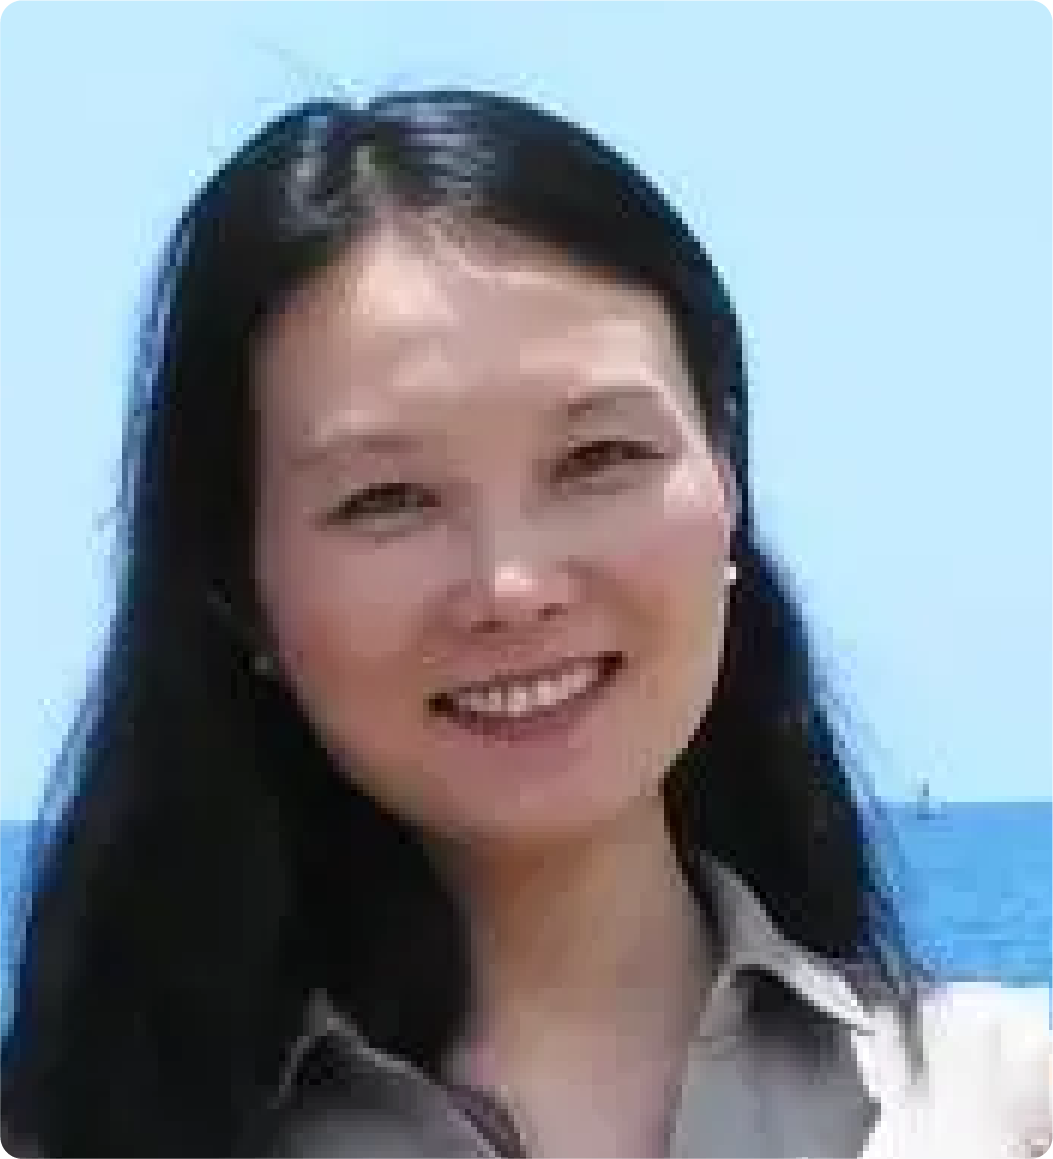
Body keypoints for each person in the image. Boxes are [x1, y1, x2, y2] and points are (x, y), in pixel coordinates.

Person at [0, 88, 1048, 1159]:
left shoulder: (1005, 1102)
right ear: (236, 586)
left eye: (600, 458)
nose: (513, 584)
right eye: (387, 499)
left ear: (727, 481)